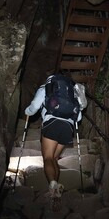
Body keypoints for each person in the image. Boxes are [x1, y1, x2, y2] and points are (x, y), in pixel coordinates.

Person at [24, 72, 86, 210]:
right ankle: (56, 188)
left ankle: (52, 185)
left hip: (52, 122)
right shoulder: (72, 91)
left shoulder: (46, 87)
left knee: (47, 158)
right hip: (67, 127)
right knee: (54, 158)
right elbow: (79, 117)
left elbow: (34, 108)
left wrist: (27, 112)